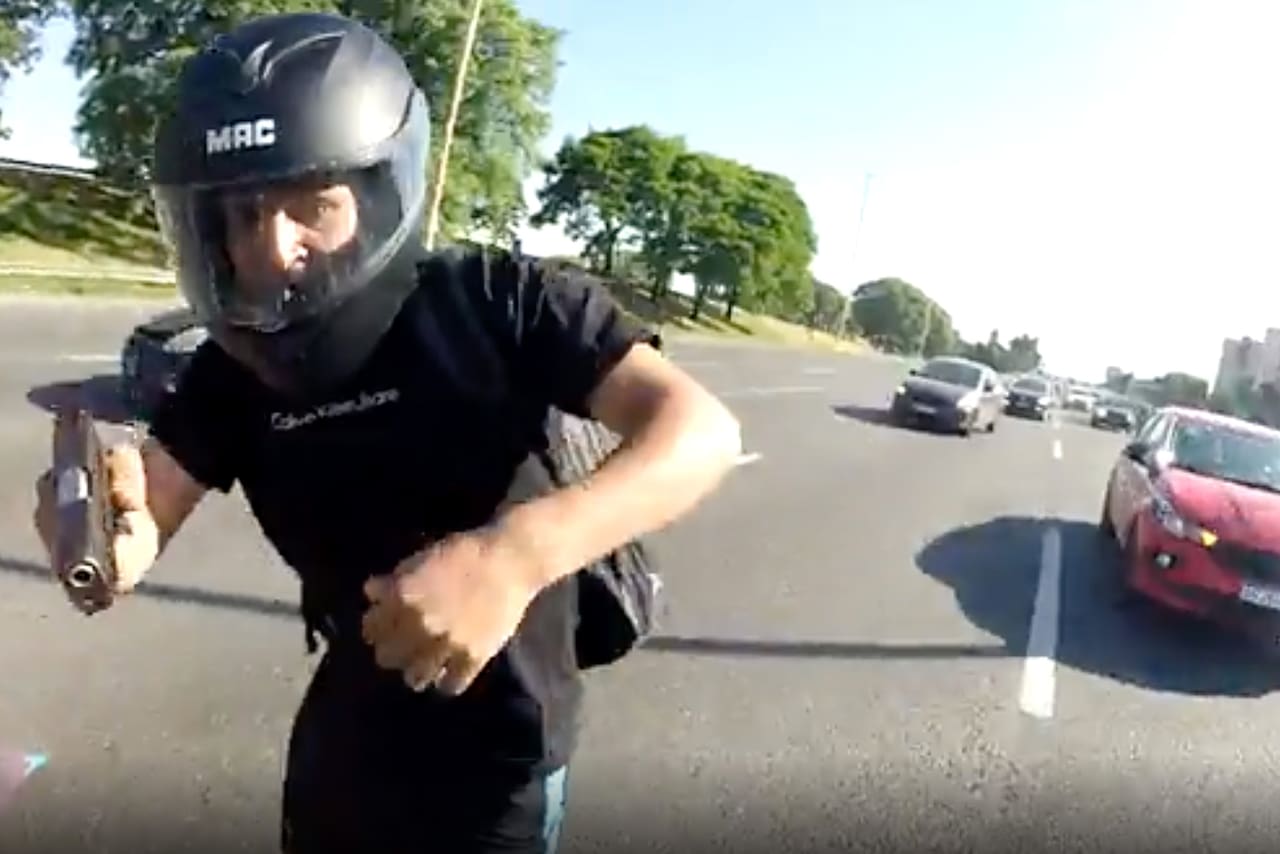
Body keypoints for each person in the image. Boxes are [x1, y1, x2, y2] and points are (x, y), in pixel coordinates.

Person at [32, 11, 742, 854]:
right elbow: (153, 500)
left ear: (374, 199)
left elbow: (700, 432)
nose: (277, 248)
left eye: (313, 207)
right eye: (245, 217)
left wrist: (511, 556)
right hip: (344, 737)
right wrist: (107, 535)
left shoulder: (496, 300)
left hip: (502, 762)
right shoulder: (236, 364)